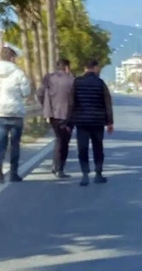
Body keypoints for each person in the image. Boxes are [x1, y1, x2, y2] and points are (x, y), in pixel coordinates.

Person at [0, 47, 31, 183]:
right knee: (15, 144)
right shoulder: (18, 72)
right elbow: (26, 91)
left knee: (1, 144)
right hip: (15, 113)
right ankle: (14, 174)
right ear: (12, 58)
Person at [66, 59, 114, 187]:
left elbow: (71, 103)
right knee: (98, 148)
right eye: (99, 68)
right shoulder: (100, 83)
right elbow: (107, 104)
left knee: (83, 148)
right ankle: (98, 174)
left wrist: (69, 122)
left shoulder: (77, 82)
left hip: (81, 121)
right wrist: (110, 122)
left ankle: (85, 175)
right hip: (97, 121)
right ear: (94, 67)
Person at [37, 59, 74, 179]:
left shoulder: (49, 78)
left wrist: (46, 107)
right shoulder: (72, 80)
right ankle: (59, 168)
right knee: (64, 142)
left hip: (52, 114)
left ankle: (55, 165)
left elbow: (40, 93)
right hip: (67, 116)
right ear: (67, 68)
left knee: (58, 139)